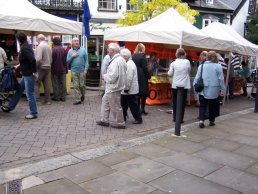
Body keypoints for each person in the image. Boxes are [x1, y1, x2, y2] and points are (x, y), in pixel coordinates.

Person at [1, 32, 38, 119]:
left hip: (29, 74)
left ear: (18, 40)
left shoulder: (25, 48)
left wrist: (34, 71)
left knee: (30, 94)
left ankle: (33, 113)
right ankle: (10, 106)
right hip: (26, 74)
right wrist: (17, 66)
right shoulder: (25, 46)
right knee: (19, 90)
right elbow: (25, 61)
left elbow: (32, 60)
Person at [96, 43, 127, 129]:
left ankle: (120, 123)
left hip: (113, 87)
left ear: (112, 50)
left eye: (108, 49)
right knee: (105, 101)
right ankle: (104, 120)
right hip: (115, 87)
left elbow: (112, 77)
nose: (107, 50)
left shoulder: (116, 61)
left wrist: (105, 77)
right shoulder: (120, 59)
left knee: (115, 106)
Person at [193, 51, 226, 128]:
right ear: (215, 57)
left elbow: (197, 77)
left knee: (202, 105)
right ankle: (211, 120)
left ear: (207, 57)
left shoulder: (201, 66)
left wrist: (194, 86)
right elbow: (221, 79)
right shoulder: (218, 66)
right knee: (212, 105)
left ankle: (201, 120)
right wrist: (223, 90)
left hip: (203, 88)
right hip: (214, 89)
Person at [168, 48, 191, 123]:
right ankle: (180, 118)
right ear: (184, 54)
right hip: (184, 85)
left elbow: (170, 74)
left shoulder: (173, 63)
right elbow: (189, 70)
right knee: (182, 102)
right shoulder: (187, 62)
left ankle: (175, 118)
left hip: (175, 85)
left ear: (176, 54)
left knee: (175, 102)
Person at [120, 48, 142, 124]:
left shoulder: (129, 64)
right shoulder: (129, 63)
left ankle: (138, 118)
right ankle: (124, 117)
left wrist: (126, 88)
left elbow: (128, 78)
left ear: (125, 57)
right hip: (129, 89)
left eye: (121, 56)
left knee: (132, 105)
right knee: (125, 104)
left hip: (129, 90)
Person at [66, 37, 89, 105]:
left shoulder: (83, 50)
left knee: (82, 85)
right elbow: (67, 61)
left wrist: (86, 69)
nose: (76, 42)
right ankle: (77, 99)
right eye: (75, 41)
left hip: (82, 71)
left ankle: (82, 95)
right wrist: (72, 56)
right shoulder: (70, 51)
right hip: (74, 71)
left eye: (77, 41)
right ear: (72, 43)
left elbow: (86, 61)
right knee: (76, 86)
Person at [132, 43, 150, 115]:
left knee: (137, 94)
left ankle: (137, 109)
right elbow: (145, 68)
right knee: (143, 94)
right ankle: (142, 109)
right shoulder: (143, 57)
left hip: (135, 76)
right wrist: (149, 76)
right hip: (142, 77)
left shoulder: (133, 56)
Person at [34, 34, 52, 105]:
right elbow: (51, 58)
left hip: (41, 67)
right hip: (48, 67)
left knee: (36, 83)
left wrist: (35, 67)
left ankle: (36, 99)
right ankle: (48, 100)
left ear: (38, 39)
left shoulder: (40, 46)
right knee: (47, 84)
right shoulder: (48, 46)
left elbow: (38, 59)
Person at [51, 37, 67, 102]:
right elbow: (65, 60)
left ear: (53, 42)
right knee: (63, 83)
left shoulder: (53, 50)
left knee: (55, 84)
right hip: (63, 69)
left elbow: (51, 61)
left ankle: (56, 97)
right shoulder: (63, 49)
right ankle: (63, 97)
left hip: (54, 70)